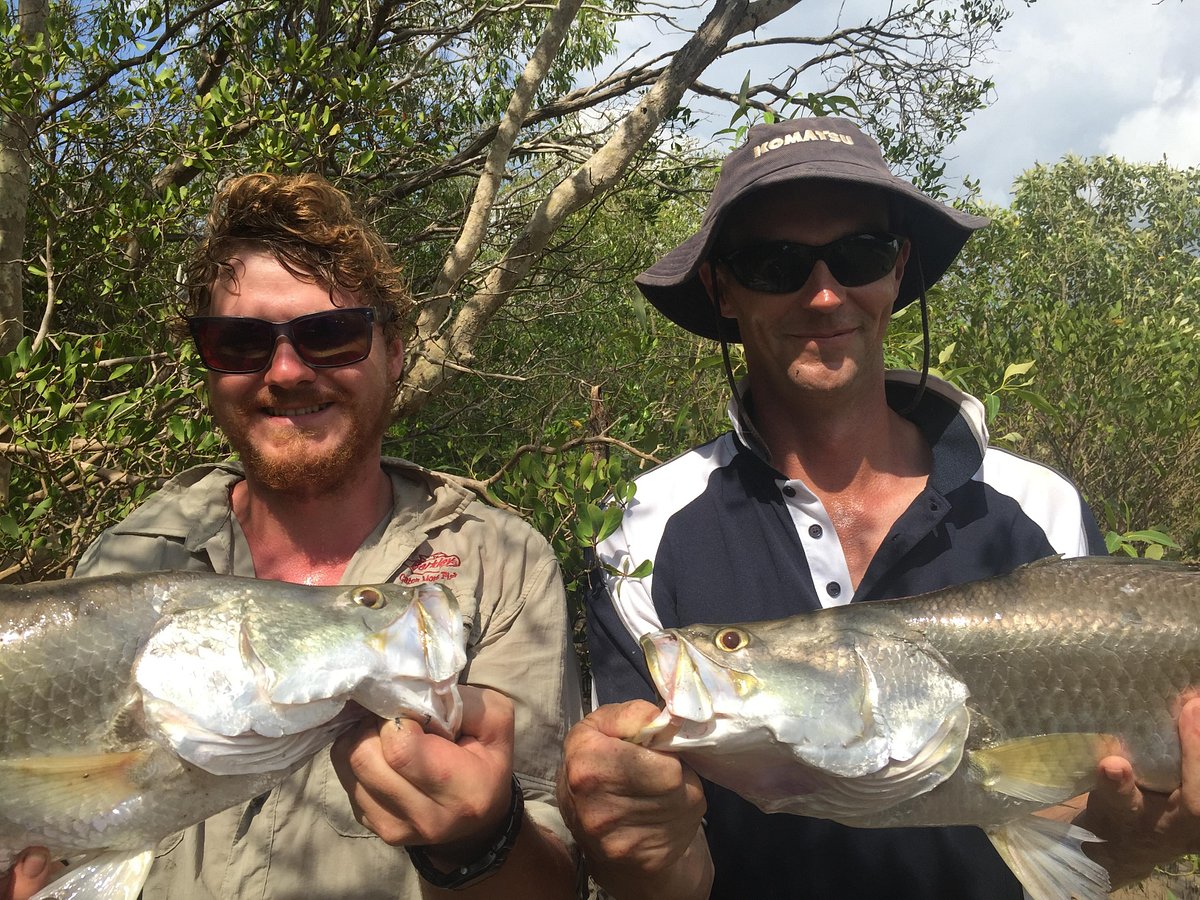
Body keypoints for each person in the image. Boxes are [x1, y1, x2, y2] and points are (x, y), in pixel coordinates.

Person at [557, 116, 1200, 898]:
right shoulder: (642, 529)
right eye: (773, 263)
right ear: (720, 288)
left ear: (897, 269)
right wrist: (634, 854)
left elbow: (1076, 842)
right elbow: (654, 867)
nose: (824, 294)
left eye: (857, 254)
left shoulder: (1041, 507)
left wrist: (1127, 849)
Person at [3, 173, 580, 899]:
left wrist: (482, 838)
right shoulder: (130, 558)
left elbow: (555, 878)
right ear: (208, 365)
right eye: (239, 342)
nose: (284, 370)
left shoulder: (501, 566)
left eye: (329, 334)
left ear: (393, 351)